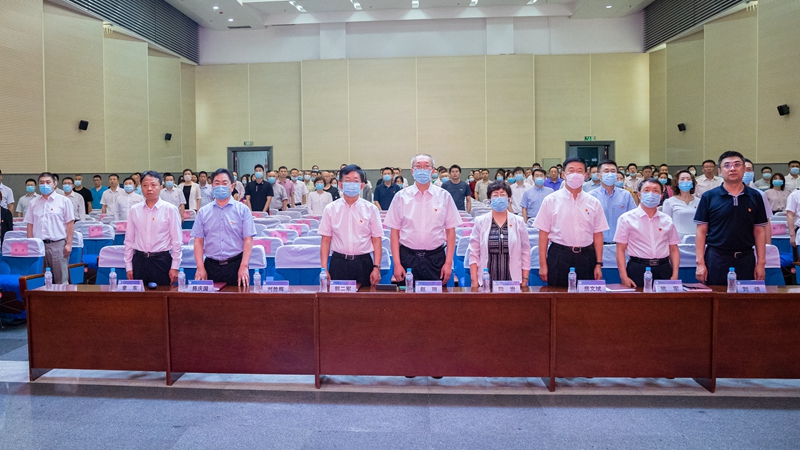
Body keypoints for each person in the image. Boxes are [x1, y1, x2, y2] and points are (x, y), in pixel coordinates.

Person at [694, 151, 768, 285]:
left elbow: (759, 231)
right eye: (727, 165)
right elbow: (701, 231)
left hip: (746, 259)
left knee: (745, 297)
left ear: (744, 169)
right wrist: (700, 263)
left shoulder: (756, 196)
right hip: (716, 258)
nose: (732, 168)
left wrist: (761, 263)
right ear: (719, 171)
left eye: (737, 165)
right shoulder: (709, 197)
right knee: (716, 296)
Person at [533, 156, 608, 287]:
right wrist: (543, 264)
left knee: (584, 296)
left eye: (579, 171)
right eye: (571, 170)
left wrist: (598, 264)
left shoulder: (594, 202)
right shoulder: (551, 200)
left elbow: (598, 235)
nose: (575, 174)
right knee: (558, 296)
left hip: (587, 256)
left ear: (585, 175)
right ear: (563, 174)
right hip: (559, 255)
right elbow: (543, 235)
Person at [385, 154, 461, 283]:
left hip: (435, 258)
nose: (422, 170)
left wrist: (448, 263)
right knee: (407, 295)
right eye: (418, 167)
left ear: (433, 171)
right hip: (408, 258)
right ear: (412, 171)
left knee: (436, 295)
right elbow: (394, 232)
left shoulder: (444, 196)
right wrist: (397, 264)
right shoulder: (401, 197)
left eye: (426, 167)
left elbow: (450, 232)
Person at [318, 165, 383, 288]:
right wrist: (323, 268)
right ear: (340, 185)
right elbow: (325, 240)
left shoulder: (371, 209)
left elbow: (376, 240)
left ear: (362, 185)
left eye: (356, 181)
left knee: (365, 298)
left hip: (363, 263)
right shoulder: (330, 209)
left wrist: (376, 267)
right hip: (339, 262)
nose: (352, 184)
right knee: (338, 299)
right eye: (347, 181)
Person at [192, 168, 255, 287]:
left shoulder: (243, 210)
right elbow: (198, 241)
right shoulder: (203, 212)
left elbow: (248, 240)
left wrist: (244, 266)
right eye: (217, 183)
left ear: (232, 186)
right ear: (212, 186)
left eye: (224, 183)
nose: (220, 186)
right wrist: (200, 267)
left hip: (236, 265)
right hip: (211, 266)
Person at [614, 178, 681, 288]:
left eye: (655, 190)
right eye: (646, 190)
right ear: (639, 195)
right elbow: (620, 250)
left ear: (661, 196)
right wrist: (623, 276)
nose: (651, 194)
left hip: (663, 268)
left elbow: (673, 249)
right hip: (638, 268)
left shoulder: (667, 219)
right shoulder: (626, 219)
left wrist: (675, 274)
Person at [123, 171, 182, 286]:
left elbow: (176, 241)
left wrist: (175, 266)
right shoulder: (134, 210)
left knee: (162, 295)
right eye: (145, 185)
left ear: (161, 187)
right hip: (139, 261)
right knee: (139, 296)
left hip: (161, 261)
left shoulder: (170, 209)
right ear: (140, 187)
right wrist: (128, 266)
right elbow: (129, 240)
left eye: (153, 185)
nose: (149, 189)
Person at [468, 180, 531, 287]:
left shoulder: (519, 222)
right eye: (495, 195)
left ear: (509, 199)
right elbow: (474, 253)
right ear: (489, 200)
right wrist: (474, 281)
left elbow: (525, 251)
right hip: (486, 279)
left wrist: (525, 279)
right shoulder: (480, 221)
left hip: (512, 279)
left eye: (503, 195)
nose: (499, 198)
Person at [24, 172, 74, 284]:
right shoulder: (33, 203)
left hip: (58, 245)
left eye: (48, 182)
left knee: (61, 280)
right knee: (38, 280)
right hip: (38, 246)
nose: (45, 185)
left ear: (54, 184)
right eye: (42, 183)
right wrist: (31, 244)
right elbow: (30, 224)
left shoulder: (64, 201)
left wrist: (69, 244)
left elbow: (70, 224)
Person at [589, 159, 636, 244]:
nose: (610, 174)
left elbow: (634, 219)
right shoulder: (591, 196)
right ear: (599, 175)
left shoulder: (626, 195)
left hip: (622, 244)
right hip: (598, 245)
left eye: (613, 171)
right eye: (606, 171)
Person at [662, 169, 700, 239]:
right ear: (677, 183)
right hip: (677, 239)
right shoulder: (669, 202)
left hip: (696, 238)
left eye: (688, 179)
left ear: (692, 182)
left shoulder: (699, 201)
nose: (685, 181)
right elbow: (665, 224)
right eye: (682, 179)